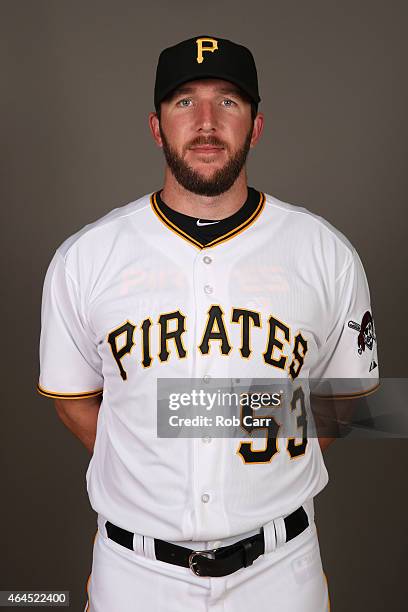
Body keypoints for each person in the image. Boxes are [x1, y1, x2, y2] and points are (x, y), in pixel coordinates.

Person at [37, 35, 379, 611]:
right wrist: (147, 451)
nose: (205, 122)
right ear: (155, 126)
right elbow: (74, 402)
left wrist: (229, 418)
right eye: (183, 102)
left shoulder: (324, 252)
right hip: (135, 574)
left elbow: (347, 400)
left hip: (279, 569)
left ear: (256, 125)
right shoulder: (86, 257)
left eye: (228, 102)